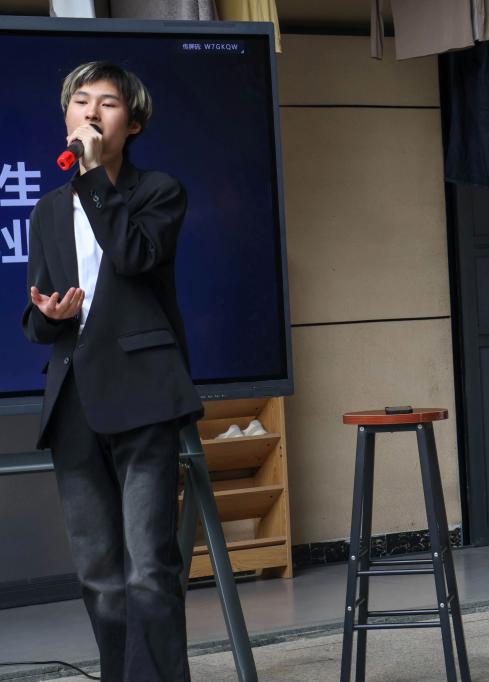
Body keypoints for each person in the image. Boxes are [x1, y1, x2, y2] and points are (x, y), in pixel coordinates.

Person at [22, 61, 201, 681]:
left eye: (108, 103)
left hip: (144, 395)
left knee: (149, 567)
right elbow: (36, 318)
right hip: (73, 402)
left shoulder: (158, 192)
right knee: (98, 572)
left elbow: (133, 255)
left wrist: (96, 176)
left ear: (134, 123)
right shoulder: (47, 210)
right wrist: (49, 315)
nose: (91, 112)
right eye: (80, 101)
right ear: (66, 116)